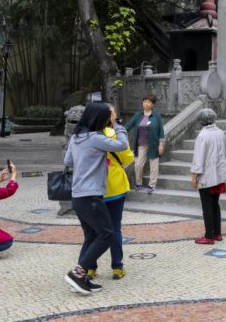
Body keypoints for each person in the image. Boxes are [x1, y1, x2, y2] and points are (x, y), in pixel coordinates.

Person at [64, 102, 129, 295]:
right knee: (107, 234)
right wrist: (117, 124)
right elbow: (122, 145)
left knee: (91, 236)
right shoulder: (95, 138)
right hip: (91, 196)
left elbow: (68, 161)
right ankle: (77, 273)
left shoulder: (76, 137)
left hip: (78, 195)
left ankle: (82, 278)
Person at [86, 104, 134, 281]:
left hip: (93, 188)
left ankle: (90, 267)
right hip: (115, 186)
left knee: (93, 230)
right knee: (114, 227)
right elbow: (128, 157)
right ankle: (117, 267)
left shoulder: (87, 136)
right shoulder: (114, 134)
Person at [190, 108, 226, 245]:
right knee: (215, 204)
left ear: (200, 121)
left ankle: (208, 236)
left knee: (207, 206)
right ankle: (217, 233)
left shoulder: (202, 136)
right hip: (219, 174)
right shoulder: (221, 133)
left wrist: (194, 176)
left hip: (207, 176)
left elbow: (198, 158)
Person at [125, 94, 165, 194]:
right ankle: (138, 183)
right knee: (138, 165)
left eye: (148, 102)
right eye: (144, 101)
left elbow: (161, 131)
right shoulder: (138, 115)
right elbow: (128, 126)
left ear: (152, 104)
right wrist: (119, 131)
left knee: (154, 166)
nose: (146, 103)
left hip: (153, 144)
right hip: (141, 144)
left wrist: (161, 145)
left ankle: (152, 185)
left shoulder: (156, 116)